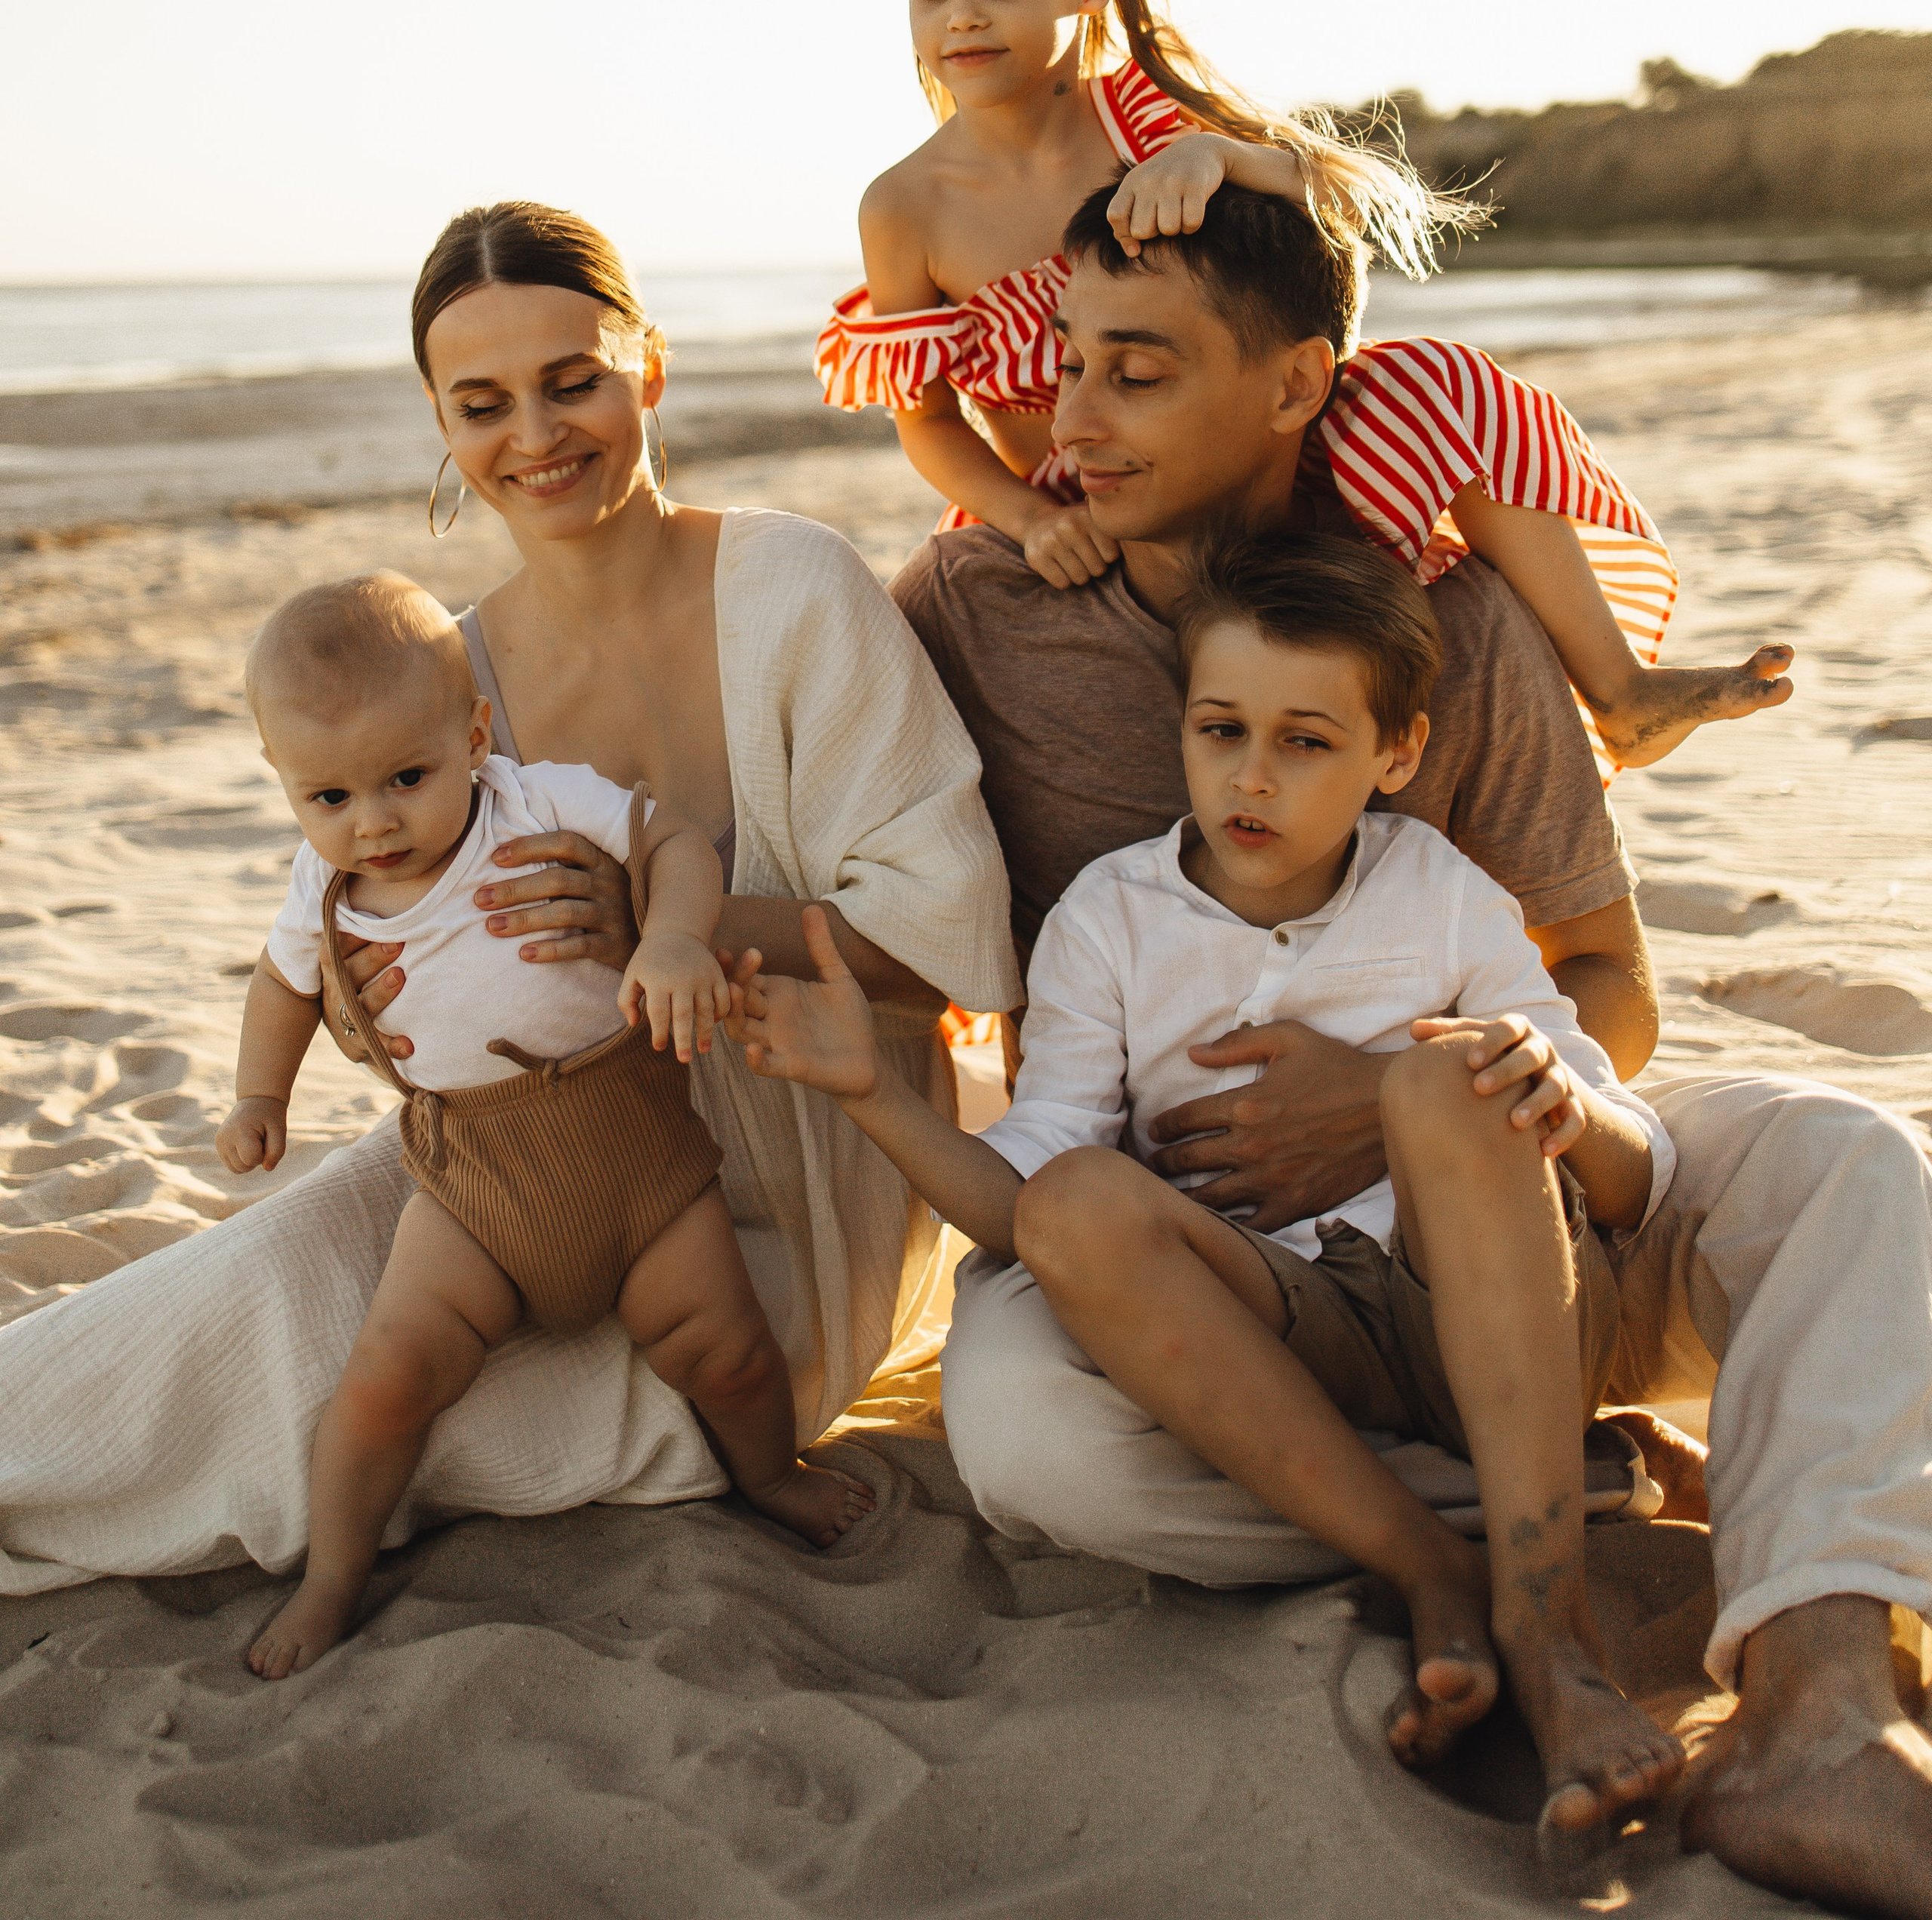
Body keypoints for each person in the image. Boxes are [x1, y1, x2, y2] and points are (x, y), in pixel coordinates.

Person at [900, 177, 1932, 1918]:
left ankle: (1818, 1711)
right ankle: (1563, 1494)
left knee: (1846, 1160)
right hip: (1226, 1282)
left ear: (1298, 384)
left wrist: (1402, 1103)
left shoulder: (1448, 612)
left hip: (1516, 1203)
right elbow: (835, 857)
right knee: (1024, 1440)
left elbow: (1605, 986)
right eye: (1065, 363)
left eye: (1134, 372)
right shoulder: (977, 606)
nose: (1065, 421)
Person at [0, 201, 1017, 1593]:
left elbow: (953, 949)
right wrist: (360, 1012)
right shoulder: (449, 673)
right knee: (262, 1284)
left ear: (648, 366)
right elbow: (395, 973)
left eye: (572, 380)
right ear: (438, 417)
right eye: (482, 403)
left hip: (793, 1169)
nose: (534, 436)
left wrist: (676, 924)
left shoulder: (794, 586)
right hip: (520, 1150)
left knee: (431, 1428)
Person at [734, 529, 1684, 1851]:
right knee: (1074, 1202)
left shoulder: (1444, 895)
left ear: (1393, 756)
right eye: (1221, 728)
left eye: (1306, 742)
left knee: (1442, 1082)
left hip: (1487, 1304)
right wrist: (868, 1092)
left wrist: (1552, 1096)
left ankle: (1548, 1616)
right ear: (1179, 725)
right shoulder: (1109, 921)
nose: (1252, 775)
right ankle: (1429, 1569)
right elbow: (1023, 1211)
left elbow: (1630, 1162)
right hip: (1291, 1333)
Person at [818, 0, 1793, 768]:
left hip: (1258, 460)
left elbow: (1337, 212)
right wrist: (1032, 519)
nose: (965, 14)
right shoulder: (907, 207)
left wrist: (1220, 160)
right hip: (1080, 495)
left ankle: (1618, 690)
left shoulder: (1148, 116)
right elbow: (930, 422)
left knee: (1442, 380)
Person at [221, 571, 871, 1679]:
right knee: (387, 1376)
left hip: (640, 1162)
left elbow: (671, 843)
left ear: (474, 734)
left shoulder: (539, 802)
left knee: (727, 1351)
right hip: (474, 1182)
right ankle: (334, 1574)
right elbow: (282, 988)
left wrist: (671, 939)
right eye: (327, 799)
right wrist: (258, 1096)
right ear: (286, 787)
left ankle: (771, 1478)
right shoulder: (316, 892)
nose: (373, 822)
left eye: (406, 778)